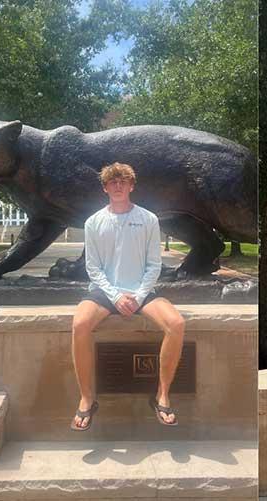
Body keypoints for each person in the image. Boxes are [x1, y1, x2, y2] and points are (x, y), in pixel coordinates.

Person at [69, 162, 186, 431]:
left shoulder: (148, 219)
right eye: (113, 182)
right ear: (105, 188)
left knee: (177, 324)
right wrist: (115, 295)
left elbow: (154, 264)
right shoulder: (93, 222)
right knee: (79, 324)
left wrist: (139, 294)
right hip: (104, 292)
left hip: (141, 292)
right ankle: (87, 398)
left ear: (132, 186)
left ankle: (162, 394)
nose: (118, 186)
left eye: (123, 181)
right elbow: (93, 268)